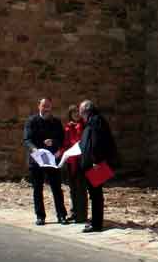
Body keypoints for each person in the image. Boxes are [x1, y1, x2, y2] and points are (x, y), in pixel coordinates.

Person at [23, 97, 68, 226]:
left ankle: (61, 215)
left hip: (52, 159)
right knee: (37, 189)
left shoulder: (56, 122)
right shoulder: (31, 121)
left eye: (48, 106)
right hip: (36, 159)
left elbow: (62, 139)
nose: (46, 108)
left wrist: (54, 143)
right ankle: (40, 216)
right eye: (44, 106)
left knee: (56, 188)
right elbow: (27, 140)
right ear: (39, 106)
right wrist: (36, 150)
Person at [78, 99, 118, 233]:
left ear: (85, 111)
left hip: (96, 164)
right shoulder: (94, 120)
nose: (80, 115)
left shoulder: (95, 121)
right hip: (95, 163)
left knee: (95, 194)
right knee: (95, 193)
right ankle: (96, 222)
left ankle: (96, 224)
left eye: (80, 112)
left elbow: (96, 143)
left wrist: (95, 161)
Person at [61, 104, 87, 224]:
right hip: (71, 161)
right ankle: (74, 212)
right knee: (73, 189)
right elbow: (65, 144)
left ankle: (82, 215)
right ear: (70, 115)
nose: (76, 114)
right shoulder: (67, 128)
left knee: (81, 188)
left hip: (81, 161)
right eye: (73, 112)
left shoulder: (84, 126)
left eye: (78, 112)